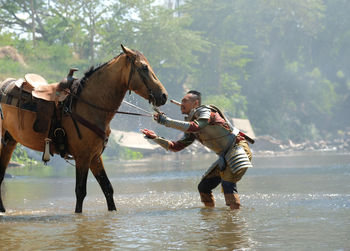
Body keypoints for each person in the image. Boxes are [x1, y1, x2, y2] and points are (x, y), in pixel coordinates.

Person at [141, 90, 253, 209]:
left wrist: (166, 121)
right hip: (225, 155)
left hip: (237, 148)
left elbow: (197, 126)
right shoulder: (192, 126)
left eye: (185, 101)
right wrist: (155, 138)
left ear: (195, 103)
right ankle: (209, 216)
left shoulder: (205, 111)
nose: (182, 103)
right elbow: (175, 147)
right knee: (204, 187)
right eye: (182, 101)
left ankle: (235, 221)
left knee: (228, 184)